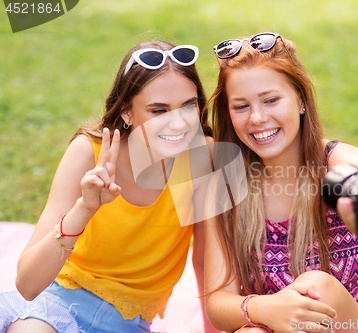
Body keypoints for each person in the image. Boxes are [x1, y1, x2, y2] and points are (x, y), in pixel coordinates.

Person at [0, 40, 216, 333]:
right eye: (158, 110)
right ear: (127, 112)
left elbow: (205, 261)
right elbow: (26, 284)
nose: (178, 124)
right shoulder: (87, 152)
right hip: (55, 305)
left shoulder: (206, 158)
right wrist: (84, 208)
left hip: (131, 324)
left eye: (188, 106)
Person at [204, 32, 358, 333]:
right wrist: (268, 308)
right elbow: (218, 303)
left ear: (300, 100)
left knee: (315, 286)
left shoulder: (338, 163)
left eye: (271, 100)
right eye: (241, 106)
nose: (257, 118)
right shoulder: (226, 186)